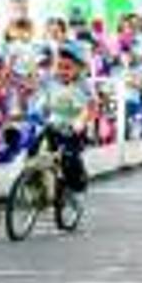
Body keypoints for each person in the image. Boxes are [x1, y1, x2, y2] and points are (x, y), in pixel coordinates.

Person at [29, 42, 96, 197]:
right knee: (33, 149)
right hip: (53, 124)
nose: (62, 71)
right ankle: (33, 183)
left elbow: (91, 107)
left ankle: (78, 183)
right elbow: (41, 99)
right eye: (59, 67)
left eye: (67, 68)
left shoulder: (83, 86)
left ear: (79, 69)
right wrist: (35, 111)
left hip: (73, 127)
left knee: (69, 158)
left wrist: (81, 121)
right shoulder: (51, 81)